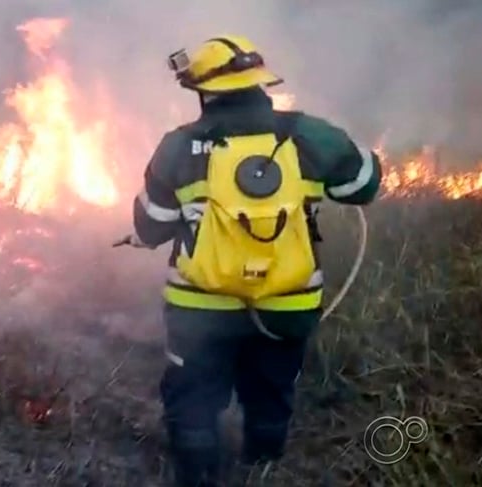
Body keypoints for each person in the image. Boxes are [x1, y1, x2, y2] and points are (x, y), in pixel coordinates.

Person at [119, 35, 382, 485]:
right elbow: (363, 185)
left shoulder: (179, 147)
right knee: (271, 391)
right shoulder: (307, 134)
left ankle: (197, 476)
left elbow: (151, 225)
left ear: (204, 92)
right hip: (288, 303)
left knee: (193, 397)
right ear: (259, 83)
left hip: (201, 308)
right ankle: (263, 470)